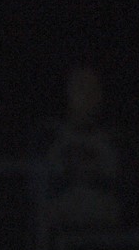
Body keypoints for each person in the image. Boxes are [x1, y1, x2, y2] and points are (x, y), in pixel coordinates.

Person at [44, 62, 121, 232]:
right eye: (80, 87)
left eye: (92, 88)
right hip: (60, 233)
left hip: (105, 232)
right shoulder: (50, 138)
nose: (86, 94)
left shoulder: (114, 141)